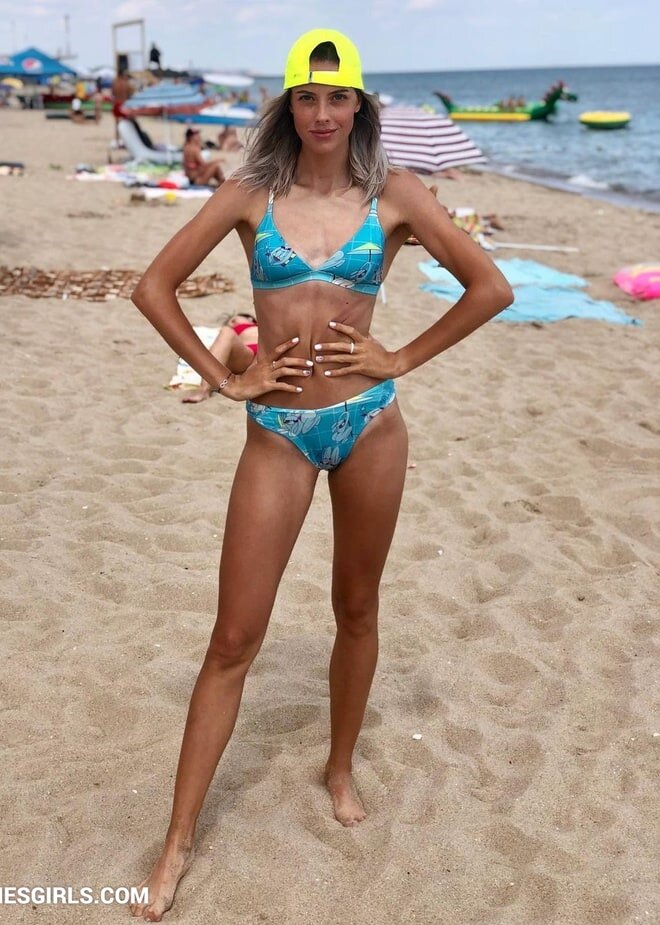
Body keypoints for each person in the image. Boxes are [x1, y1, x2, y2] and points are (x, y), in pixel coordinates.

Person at [129, 27, 512, 920]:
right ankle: (178, 838)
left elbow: (490, 287)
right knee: (234, 637)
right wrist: (226, 377)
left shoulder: (397, 194)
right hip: (278, 432)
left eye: (339, 98)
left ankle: (339, 767)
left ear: (360, 107)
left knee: (357, 607)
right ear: (288, 106)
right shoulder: (249, 194)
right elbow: (153, 287)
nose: (324, 112)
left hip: (369, 425)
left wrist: (400, 356)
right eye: (308, 96)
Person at [181, 313, 258, 404]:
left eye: (234, 319)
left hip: (264, 353)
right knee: (226, 331)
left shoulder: (259, 324)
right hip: (246, 355)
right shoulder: (231, 330)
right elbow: (219, 347)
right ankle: (204, 389)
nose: (231, 322)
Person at [112, 66, 133, 141]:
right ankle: (126, 140)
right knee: (127, 123)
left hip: (117, 104)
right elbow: (130, 95)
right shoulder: (127, 83)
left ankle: (117, 139)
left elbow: (113, 93)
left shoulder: (115, 83)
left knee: (117, 124)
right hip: (124, 104)